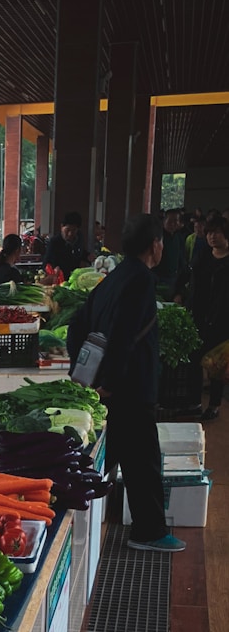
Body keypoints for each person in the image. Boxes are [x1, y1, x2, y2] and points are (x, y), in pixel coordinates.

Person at [67, 213, 185, 553]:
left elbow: (77, 325)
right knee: (143, 459)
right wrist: (110, 382)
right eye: (161, 240)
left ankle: (85, 529)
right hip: (130, 389)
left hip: (113, 388)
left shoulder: (116, 276)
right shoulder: (141, 280)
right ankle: (148, 532)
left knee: (110, 458)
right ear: (154, 245)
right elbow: (124, 337)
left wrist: (84, 372)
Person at [186, 214, 229, 421]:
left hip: (222, 320)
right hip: (199, 316)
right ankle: (194, 402)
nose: (212, 237)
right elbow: (190, 277)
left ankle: (213, 405)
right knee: (194, 360)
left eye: (217, 233)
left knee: (217, 366)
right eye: (210, 232)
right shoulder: (202, 255)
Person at [152, 208, 188, 299]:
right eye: (170, 220)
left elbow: (181, 259)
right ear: (164, 220)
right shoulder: (157, 237)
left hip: (174, 279)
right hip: (157, 277)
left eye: (175, 221)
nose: (172, 224)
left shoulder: (179, 238)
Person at [42, 211, 88, 281]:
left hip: (76, 278)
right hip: (60, 279)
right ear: (61, 227)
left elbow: (81, 253)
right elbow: (47, 262)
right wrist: (54, 268)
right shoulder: (54, 242)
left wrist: (87, 257)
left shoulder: (79, 238)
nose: (70, 234)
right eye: (67, 230)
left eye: (74, 230)